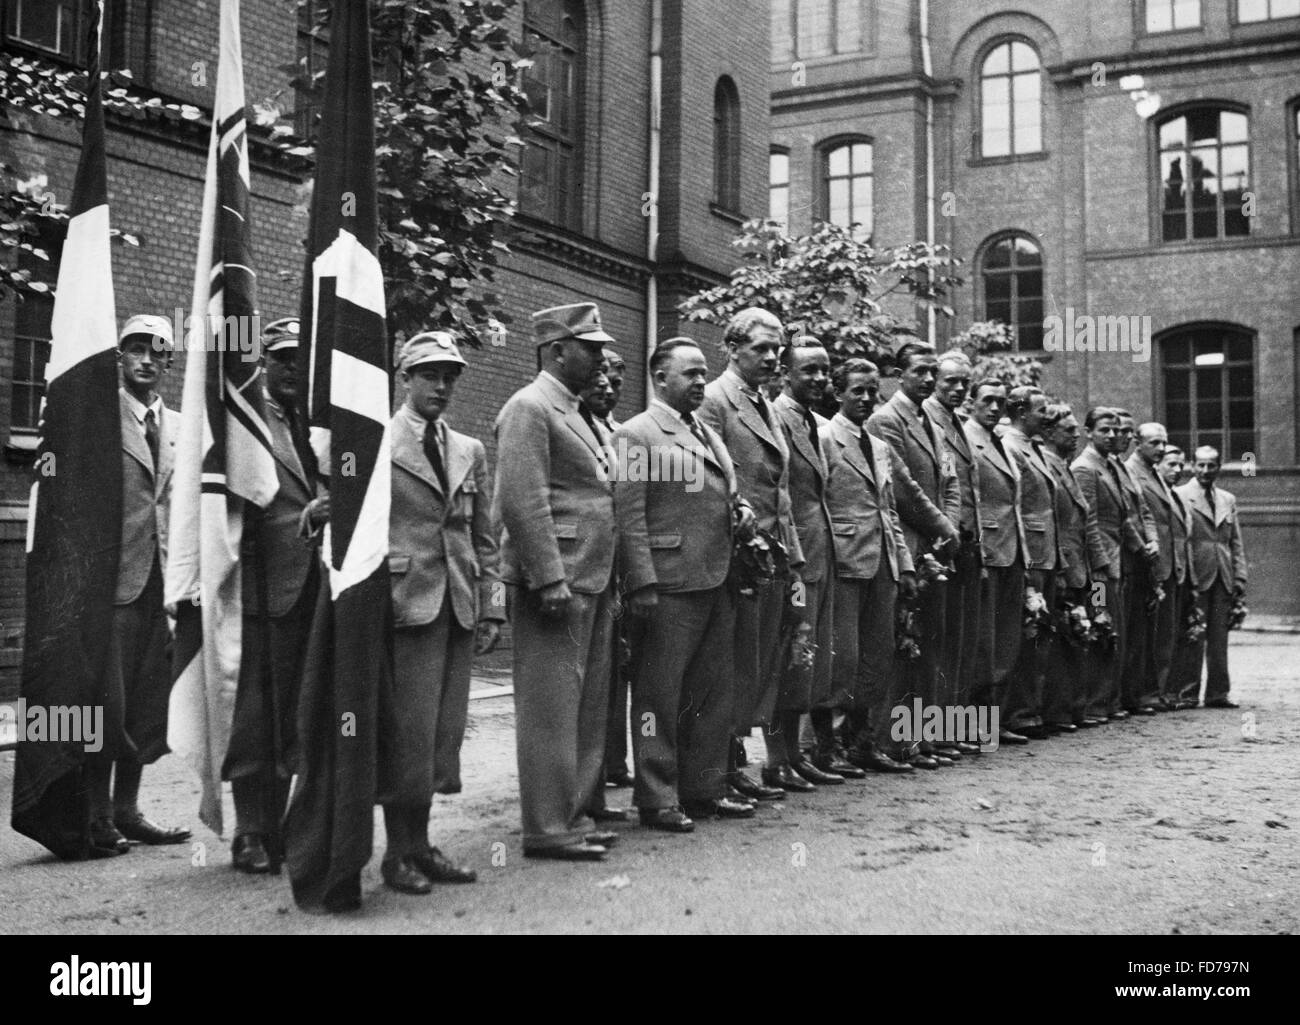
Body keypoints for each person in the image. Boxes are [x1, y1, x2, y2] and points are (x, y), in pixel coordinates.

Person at [379, 331, 504, 893]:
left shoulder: (469, 449)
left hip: (457, 604)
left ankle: (422, 844)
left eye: (450, 374)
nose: (442, 384)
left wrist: (492, 605)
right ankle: (396, 854)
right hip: (403, 605)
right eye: (429, 373)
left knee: (440, 737)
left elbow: (485, 537)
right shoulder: (375, 442)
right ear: (405, 377)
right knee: (405, 734)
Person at [615, 338, 756, 831]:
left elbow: (719, 490)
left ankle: (704, 790)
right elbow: (628, 515)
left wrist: (739, 509)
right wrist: (640, 585)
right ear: (659, 379)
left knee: (711, 694)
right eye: (690, 374)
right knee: (658, 695)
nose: (701, 382)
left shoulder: (702, 430)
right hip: (669, 584)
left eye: (703, 374)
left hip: (715, 578)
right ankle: (656, 796)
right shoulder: (636, 435)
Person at [494, 302, 619, 860]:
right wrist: (547, 578)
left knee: (585, 707)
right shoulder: (529, 407)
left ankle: (571, 815)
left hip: (590, 576)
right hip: (560, 580)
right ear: (555, 351)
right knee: (551, 707)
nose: (600, 356)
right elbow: (522, 501)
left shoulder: (573, 410)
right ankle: (546, 827)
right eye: (589, 347)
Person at [86, 314, 190, 856]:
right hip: (113, 582)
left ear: (169, 363)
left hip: (162, 584)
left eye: (157, 352)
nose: (146, 360)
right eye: (135, 351)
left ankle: (128, 809)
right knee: (109, 700)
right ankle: (97, 815)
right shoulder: (97, 418)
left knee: (149, 703)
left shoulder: (179, 425)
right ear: (120, 358)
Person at [226, 318, 327, 873]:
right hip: (264, 589)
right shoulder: (246, 421)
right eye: (284, 359)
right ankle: (249, 832)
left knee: (299, 714)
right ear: (264, 362)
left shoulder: (316, 423)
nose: (293, 370)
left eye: (300, 360)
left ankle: (283, 826)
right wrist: (308, 519)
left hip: (317, 587)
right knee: (255, 716)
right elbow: (234, 509)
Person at [697, 308, 803, 802]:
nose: (772, 356)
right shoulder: (715, 401)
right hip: (736, 554)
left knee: (758, 662)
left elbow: (781, 491)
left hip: (772, 553)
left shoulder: (765, 403)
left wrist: (793, 555)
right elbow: (707, 479)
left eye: (777, 347)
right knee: (733, 663)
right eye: (761, 348)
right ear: (731, 349)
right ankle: (721, 763)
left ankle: (735, 758)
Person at [866, 342, 961, 767]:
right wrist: (941, 527)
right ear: (898, 375)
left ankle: (920, 737)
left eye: (931, 371)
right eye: (920, 371)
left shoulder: (933, 423)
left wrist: (949, 530)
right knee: (902, 644)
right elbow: (904, 488)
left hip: (936, 548)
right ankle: (890, 739)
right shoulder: (885, 420)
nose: (927, 379)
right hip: (907, 544)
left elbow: (950, 480)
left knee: (927, 645)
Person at [821, 359, 917, 773]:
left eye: (871, 391)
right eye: (856, 390)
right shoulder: (824, 438)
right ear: (838, 392)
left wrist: (906, 564)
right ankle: (826, 746)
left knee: (877, 655)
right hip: (844, 560)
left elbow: (889, 509)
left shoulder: (879, 447)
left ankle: (863, 742)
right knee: (841, 656)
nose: (865, 399)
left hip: (882, 560)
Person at [770, 339, 858, 786]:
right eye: (809, 371)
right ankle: (778, 758)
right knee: (792, 655)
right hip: (795, 557)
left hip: (822, 554)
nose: (821, 379)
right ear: (785, 373)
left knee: (812, 658)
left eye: (825, 371)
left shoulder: (815, 425)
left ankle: (797, 754)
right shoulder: (777, 418)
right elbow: (780, 495)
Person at [963, 379, 1028, 747]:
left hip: (1013, 549)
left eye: (1001, 402)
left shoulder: (1001, 441)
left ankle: (995, 721)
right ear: (972, 402)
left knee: (1005, 641)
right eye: (987, 400)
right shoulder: (967, 439)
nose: (994, 407)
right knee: (984, 644)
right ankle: (974, 723)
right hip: (987, 548)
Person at [923, 353, 982, 746]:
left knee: (959, 642)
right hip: (938, 543)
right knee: (935, 644)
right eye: (950, 381)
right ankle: (933, 731)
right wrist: (947, 533)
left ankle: (951, 729)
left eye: (964, 383)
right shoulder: (929, 418)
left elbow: (960, 485)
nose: (959, 389)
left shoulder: (956, 421)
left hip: (962, 543)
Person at [1000, 386, 1062, 738]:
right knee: (1027, 632)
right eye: (1042, 410)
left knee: (1039, 634)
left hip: (1046, 553)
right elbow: (1017, 506)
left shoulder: (1032, 448)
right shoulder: (1011, 446)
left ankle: (1030, 710)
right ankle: (1018, 712)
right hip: (1029, 552)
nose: (1048, 416)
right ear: (1023, 412)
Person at [1042, 403, 1103, 728]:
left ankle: (1073, 708)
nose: (1076, 435)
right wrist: (1064, 568)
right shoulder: (1051, 467)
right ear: (1050, 432)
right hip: (1064, 564)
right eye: (1069, 430)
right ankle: (1059, 711)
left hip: (1079, 565)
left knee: (1076, 637)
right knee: (1063, 641)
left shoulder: (1064, 466)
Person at [1176, 446, 1247, 709]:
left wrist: (1240, 577)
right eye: (1201, 465)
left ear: (1218, 467)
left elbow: (1235, 542)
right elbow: (1182, 541)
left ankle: (1218, 693)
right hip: (1196, 575)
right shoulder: (1181, 495)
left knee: (1219, 639)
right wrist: (1188, 576)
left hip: (1223, 577)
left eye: (1211, 466)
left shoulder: (1227, 499)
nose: (1206, 471)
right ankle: (1187, 692)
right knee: (1193, 635)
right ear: (1192, 466)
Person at [1071, 409, 1127, 723]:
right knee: (1100, 625)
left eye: (1116, 431)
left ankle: (1106, 700)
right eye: (1104, 430)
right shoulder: (1085, 468)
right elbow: (1088, 521)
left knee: (1109, 628)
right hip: (1099, 566)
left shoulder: (1108, 466)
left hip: (1113, 559)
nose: (1112, 436)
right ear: (1089, 432)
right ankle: (1094, 702)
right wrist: (1100, 565)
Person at [1126, 423, 1181, 712]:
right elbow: (1132, 517)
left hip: (1166, 563)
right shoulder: (1132, 471)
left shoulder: (1153, 472)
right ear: (1138, 442)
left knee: (1160, 633)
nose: (1161, 448)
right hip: (1144, 562)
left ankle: (1155, 690)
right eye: (1154, 443)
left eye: (1164, 442)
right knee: (1144, 633)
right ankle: (1141, 693)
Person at [1112, 409, 1161, 717]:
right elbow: (1118, 517)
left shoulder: (1122, 469)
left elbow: (1143, 511)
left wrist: (1152, 539)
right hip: (1116, 561)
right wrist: (1142, 545)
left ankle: (1129, 695)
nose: (1125, 437)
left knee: (1135, 632)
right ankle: (1112, 698)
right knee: (1115, 628)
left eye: (1128, 431)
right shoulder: (1111, 467)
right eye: (1121, 431)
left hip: (1135, 561)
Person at [1157, 445, 1198, 710]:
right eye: (1171, 464)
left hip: (1180, 572)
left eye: (1180, 464)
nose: (1177, 470)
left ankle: (1171, 691)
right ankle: (1159, 690)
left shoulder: (1179, 497)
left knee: (1174, 634)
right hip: (1161, 571)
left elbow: (1185, 540)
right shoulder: (1156, 494)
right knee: (1160, 636)